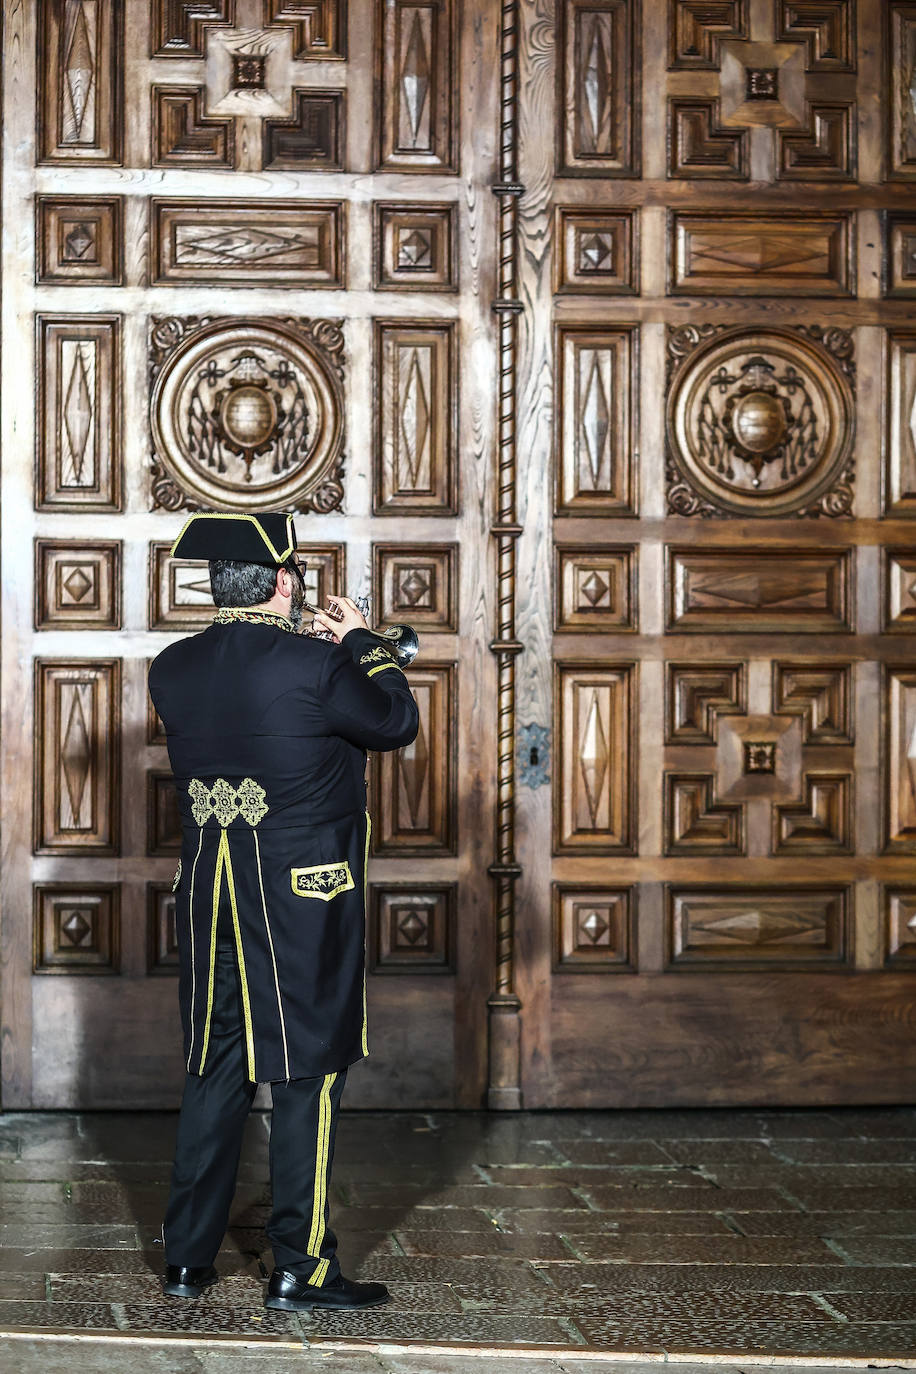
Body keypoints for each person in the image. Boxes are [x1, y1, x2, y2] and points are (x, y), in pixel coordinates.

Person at [147, 511, 419, 1313]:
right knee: (307, 1071)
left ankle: (189, 1260)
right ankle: (303, 1266)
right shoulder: (318, 665)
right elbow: (394, 722)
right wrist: (363, 643)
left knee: (216, 1063)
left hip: (209, 891)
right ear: (284, 582)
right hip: (302, 895)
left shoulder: (172, 666)